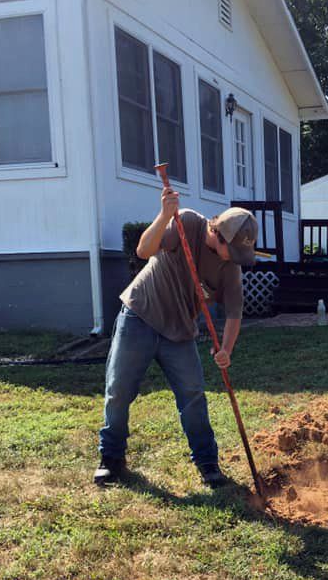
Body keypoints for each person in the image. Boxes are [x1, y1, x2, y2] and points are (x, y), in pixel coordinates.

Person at [94, 185, 258, 488]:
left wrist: (226, 349)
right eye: (231, 250)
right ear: (218, 234)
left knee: (193, 395)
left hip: (179, 330)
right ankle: (111, 458)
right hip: (140, 315)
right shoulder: (186, 223)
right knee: (119, 390)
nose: (233, 259)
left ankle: (208, 463)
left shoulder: (230, 267)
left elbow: (234, 312)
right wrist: (165, 215)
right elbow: (143, 251)